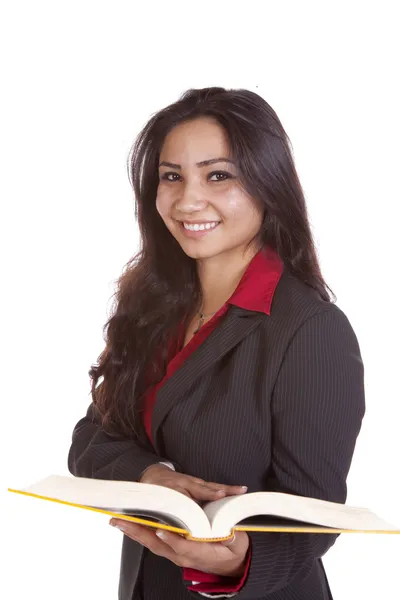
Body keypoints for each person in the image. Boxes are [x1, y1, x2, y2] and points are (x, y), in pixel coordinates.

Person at [67, 87, 365, 600]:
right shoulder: (153, 307)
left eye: (218, 175)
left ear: (267, 184)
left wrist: (239, 560)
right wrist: (151, 474)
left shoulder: (310, 329)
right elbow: (91, 441)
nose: (187, 200)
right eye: (171, 176)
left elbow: (315, 516)